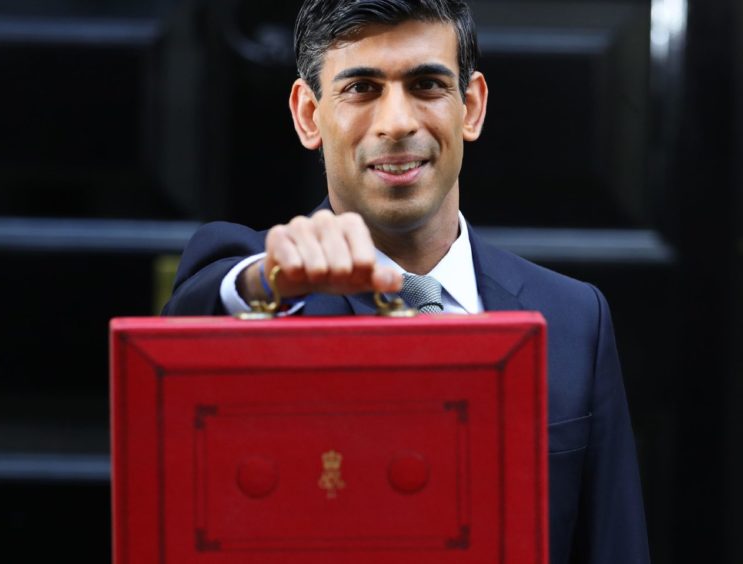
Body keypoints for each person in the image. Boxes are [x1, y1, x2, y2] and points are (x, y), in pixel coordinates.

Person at [163, 0, 650, 562]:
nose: (397, 122)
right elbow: (195, 319)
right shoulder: (265, 284)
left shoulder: (574, 319)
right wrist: (269, 280)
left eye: (425, 84)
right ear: (307, 115)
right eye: (362, 88)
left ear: (470, 106)